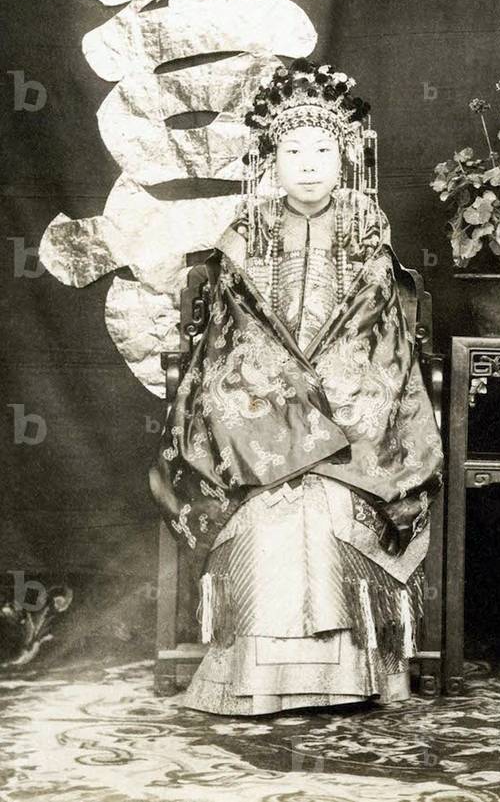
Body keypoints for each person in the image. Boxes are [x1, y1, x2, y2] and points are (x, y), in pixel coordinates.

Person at [148, 58, 443, 715]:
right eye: (293, 150)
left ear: (344, 158)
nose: (309, 163)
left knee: (340, 497)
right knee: (271, 501)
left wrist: (330, 409)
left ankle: (366, 670)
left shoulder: (368, 233)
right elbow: (231, 335)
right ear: (271, 160)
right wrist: (287, 410)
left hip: (351, 408)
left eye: (323, 149)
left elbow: (379, 334)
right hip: (263, 416)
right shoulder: (242, 236)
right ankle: (251, 676)